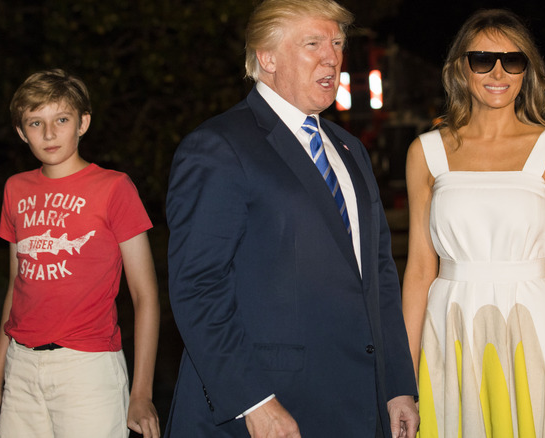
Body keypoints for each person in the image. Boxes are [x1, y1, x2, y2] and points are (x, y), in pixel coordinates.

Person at [164, 0, 419, 436]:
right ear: (267, 57)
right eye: (313, 43)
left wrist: (397, 384)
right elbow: (198, 287)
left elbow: (377, 274)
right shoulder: (218, 147)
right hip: (266, 408)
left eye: (337, 43)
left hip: (357, 405)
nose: (332, 57)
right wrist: (253, 401)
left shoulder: (349, 150)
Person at [402, 9, 545, 438]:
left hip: (536, 330)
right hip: (450, 330)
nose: (498, 71)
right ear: (461, 67)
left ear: (527, 71)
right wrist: (404, 380)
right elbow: (419, 270)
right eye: (482, 59)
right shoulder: (426, 153)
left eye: (513, 60)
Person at [0, 69, 161, 438]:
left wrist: (141, 392)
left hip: (87, 369)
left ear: (83, 123)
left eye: (61, 119)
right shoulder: (15, 189)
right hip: (21, 368)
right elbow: (16, 288)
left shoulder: (114, 187)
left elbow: (145, 295)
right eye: (35, 122)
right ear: (20, 131)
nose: (48, 134)